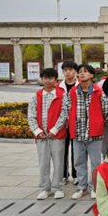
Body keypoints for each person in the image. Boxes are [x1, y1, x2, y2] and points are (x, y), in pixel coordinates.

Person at [69, 64, 108, 200]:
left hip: (95, 135)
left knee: (96, 163)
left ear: (92, 75)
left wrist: (99, 125)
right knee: (78, 162)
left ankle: (94, 187)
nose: (82, 74)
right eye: (80, 72)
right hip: (78, 133)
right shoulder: (73, 92)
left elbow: (107, 111)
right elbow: (67, 109)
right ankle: (82, 187)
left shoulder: (98, 92)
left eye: (85, 71)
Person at [27, 68, 70, 200]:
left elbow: (64, 114)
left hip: (57, 135)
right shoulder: (36, 96)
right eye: (45, 78)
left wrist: (54, 130)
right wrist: (38, 131)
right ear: (42, 79)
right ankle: (45, 188)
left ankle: (58, 188)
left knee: (58, 162)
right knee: (43, 163)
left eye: (51, 78)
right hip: (41, 136)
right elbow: (31, 116)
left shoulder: (62, 95)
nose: (48, 81)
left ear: (56, 80)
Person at [58, 61, 79, 186]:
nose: (68, 72)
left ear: (75, 71)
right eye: (65, 70)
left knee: (76, 150)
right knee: (62, 150)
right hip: (62, 124)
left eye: (70, 69)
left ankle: (76, 175)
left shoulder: (80, 86)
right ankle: (63, 174)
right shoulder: (58, 87)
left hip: (76, 123)